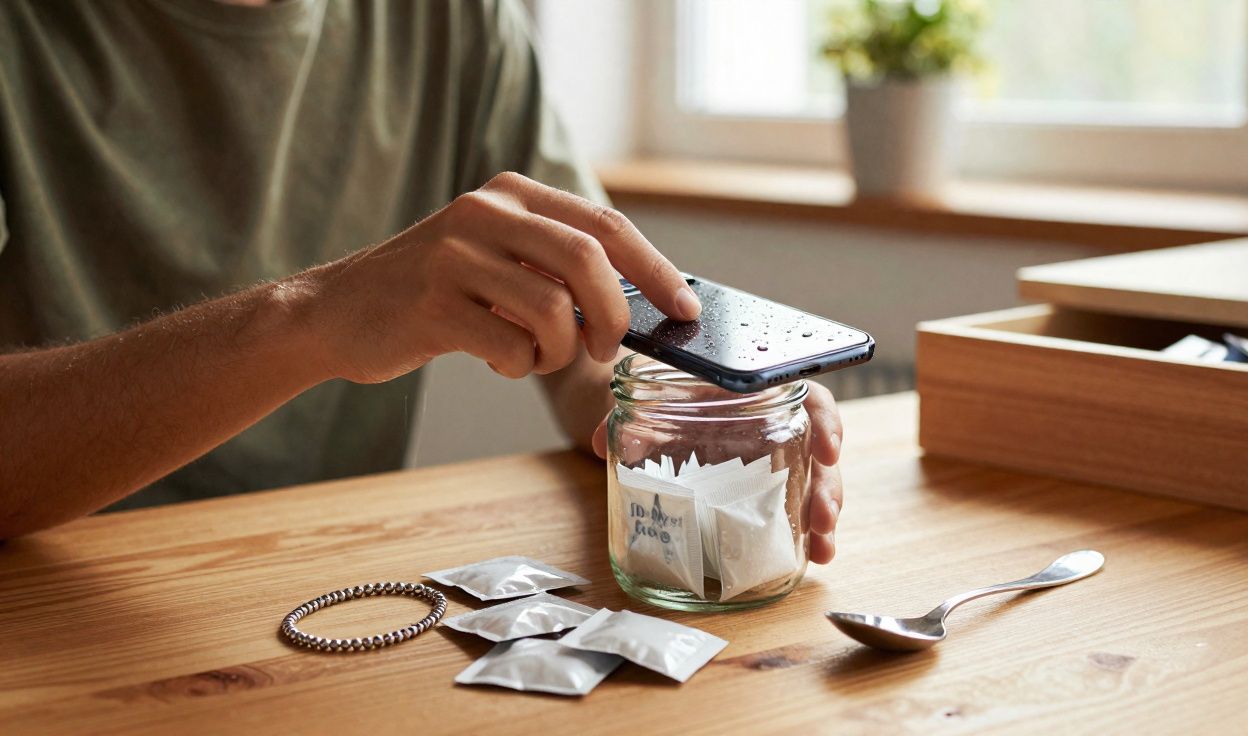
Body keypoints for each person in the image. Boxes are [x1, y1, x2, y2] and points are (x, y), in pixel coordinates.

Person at [0, 0, 845, 560]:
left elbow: (600, 329)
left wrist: (687, 404)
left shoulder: (459, 22)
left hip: (319, 586)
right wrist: (313, 317)